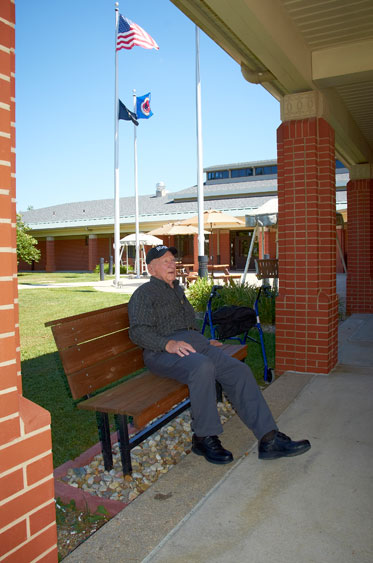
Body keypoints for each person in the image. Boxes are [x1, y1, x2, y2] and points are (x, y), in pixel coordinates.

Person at [128, 245, 311, 465]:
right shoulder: (144, 294)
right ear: (151, 268)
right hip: (161, 352)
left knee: (238, 370)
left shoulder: (176, 290)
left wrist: (203, 341)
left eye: (172, 260)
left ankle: (269, 438)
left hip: (191, 345)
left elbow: (187, 326)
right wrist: (167, 344)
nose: (172, 264)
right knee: (202, 367)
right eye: (165, 261)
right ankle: (204, 437)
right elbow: (138, 332)